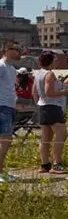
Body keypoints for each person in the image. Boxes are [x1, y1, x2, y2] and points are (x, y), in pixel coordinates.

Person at [33, 51, 68, 174]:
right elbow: (49, 92)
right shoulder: (49, 74)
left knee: (46, 137)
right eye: (55, 59)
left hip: (43, 106)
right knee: (62, 135)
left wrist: (39, 103)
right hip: (52, 107)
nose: (57, 61)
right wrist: (64, 92)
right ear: (50, 61)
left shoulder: (38, 73)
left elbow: (34, 92)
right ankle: (57, 164)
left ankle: (45, 164)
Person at [0, 40, 24, 183]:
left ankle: (2, 171)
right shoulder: (1, 66)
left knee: (5, 140)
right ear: (7, 50)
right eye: (17, 49)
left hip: (9, 106)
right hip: (2, 106)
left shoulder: (12, 69)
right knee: (5, 139)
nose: (19, 52)